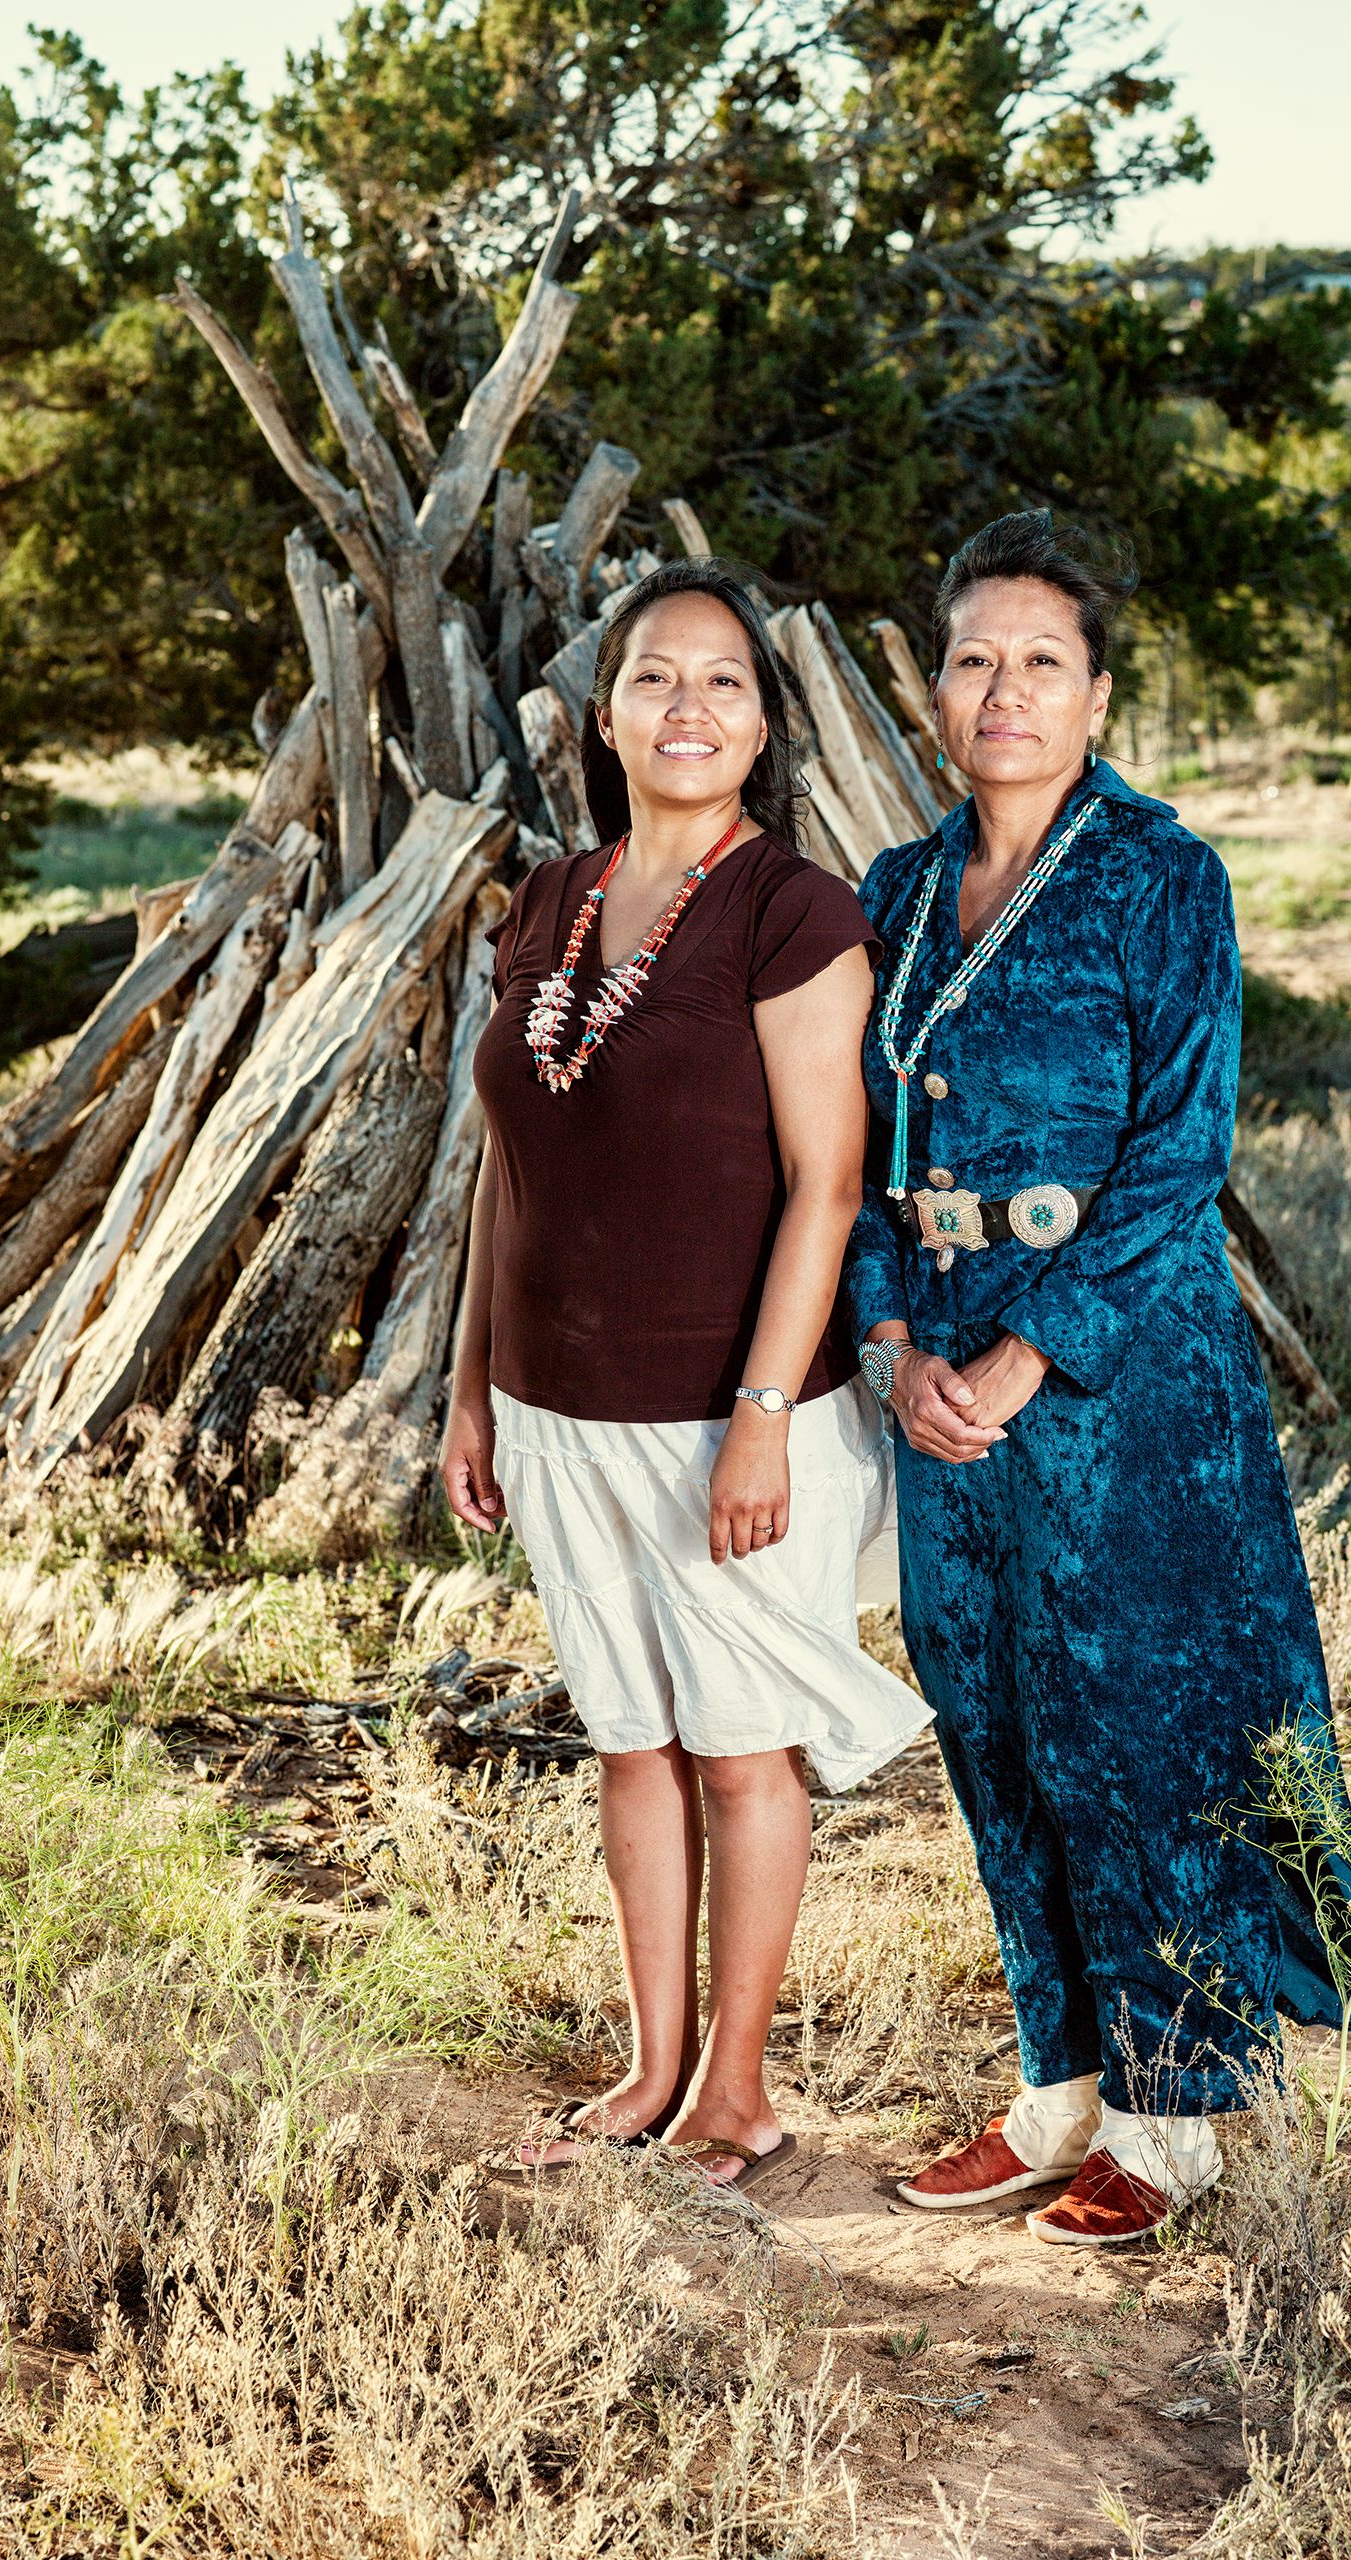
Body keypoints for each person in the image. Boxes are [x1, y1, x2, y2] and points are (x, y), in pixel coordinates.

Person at [845, 512, 1351, 2245]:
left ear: (1098, 691)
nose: (1005, 690)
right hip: (938, 1387)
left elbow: (1176, 1160)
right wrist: (900, 1346)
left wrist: (1018, 1354)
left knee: (1133, 1734)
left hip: (1120, 1388)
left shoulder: (1161, 878)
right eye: (975, 656)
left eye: (1042, 661)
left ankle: (1176, 2112)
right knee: (988, 1723)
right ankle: (1058, 2086)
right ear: (933, 684)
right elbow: (854, 1155)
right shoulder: (898, 896)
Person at [441, 560, 929, 2190]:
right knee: (630, 1740)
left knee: (739, 1747)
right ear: (605, 714)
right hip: (552, 1411)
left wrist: (765, 1419)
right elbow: (505, 1167)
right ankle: (651, 2067)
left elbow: (829, 1187)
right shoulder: (548, 898)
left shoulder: (791, 910)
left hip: (727, 1413)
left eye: (724, 682)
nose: (689, 708)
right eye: (657, 678)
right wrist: (468, 1390)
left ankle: (739, 2089)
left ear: (763, 721)